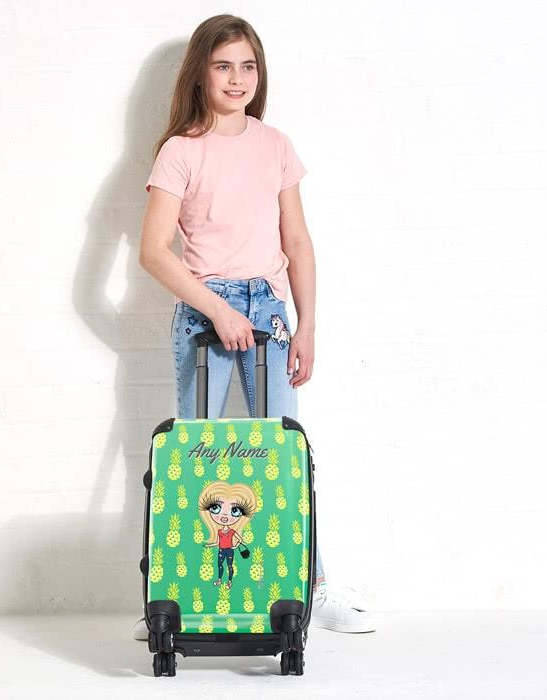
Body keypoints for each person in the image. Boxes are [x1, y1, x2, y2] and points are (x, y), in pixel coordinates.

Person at [132, 14, 376, 638]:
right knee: (195, 459)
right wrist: (218, 310)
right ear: (200, 73)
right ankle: (173, 594)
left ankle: (310, 586)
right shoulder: (181, 150)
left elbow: (298, 241)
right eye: (223, 66)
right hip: (205, 312)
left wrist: (307, 326)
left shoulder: (275, 146)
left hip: (268, 311)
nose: (237, 78)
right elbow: (154, 251)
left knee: (286, 453)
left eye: (248, 66)